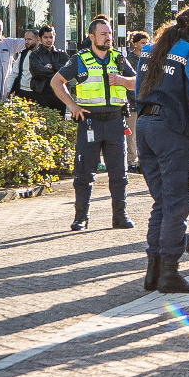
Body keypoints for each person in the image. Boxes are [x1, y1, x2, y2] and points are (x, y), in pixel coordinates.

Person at [135, 4, 189, 294]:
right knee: (178, 202)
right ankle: (169, 273)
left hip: (144, 127)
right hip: (170, 131)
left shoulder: (150, 49)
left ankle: (153, 271)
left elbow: (138, 90)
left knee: (162, 202)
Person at [52, 15, 136, 232]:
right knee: (84, 174)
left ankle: (120, 216)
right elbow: (56, 82)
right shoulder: (79, 60)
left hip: (116, 122)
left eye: (109, 34)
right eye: (103, 34)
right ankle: (81, 217)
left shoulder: (119, 58)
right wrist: (72, 105)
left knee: (119, 174)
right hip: (89, 124)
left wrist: (122, 81)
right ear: (91, 36)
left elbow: (137, 82)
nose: (108, 38)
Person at [123, 30, 150, 171]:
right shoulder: (129, 60)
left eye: (147, 43)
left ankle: (142, 159)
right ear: (135, 44)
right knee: (131, 132)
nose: (145, 45)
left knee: (143, 133)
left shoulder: (148, 59)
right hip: (132, 102)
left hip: (146, 101)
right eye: (142, 43)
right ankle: (132, 160)